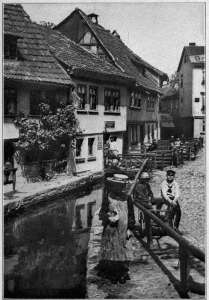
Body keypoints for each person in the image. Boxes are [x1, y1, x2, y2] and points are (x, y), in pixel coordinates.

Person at [97, 176, 135, 284]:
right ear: (113, 186)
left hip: (123, 229)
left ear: (123, 186)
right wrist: (108, 217)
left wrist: (130, 228)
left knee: (123, 251)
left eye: (120, 186)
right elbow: (102, 213)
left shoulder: (127, 198)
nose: (118, 188)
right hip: (111, 229)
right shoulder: (108, 197)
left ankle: (122, 273)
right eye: (116, 186)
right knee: (112, 251)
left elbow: (131, 215)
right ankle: (113, 274)